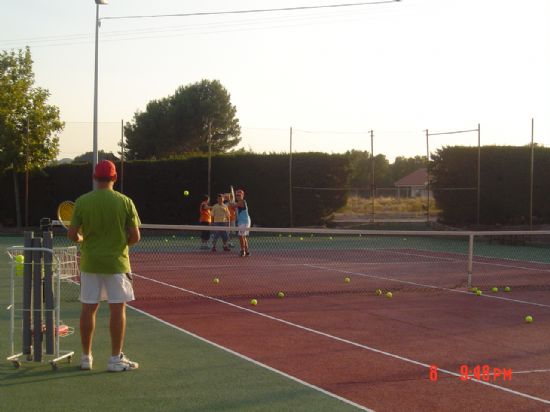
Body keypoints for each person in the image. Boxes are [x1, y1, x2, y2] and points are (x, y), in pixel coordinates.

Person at [68, 160, 141, 372]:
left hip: (90, 262)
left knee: (88, 309)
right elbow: (135, 237)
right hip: (117, 263)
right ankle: (115, 359)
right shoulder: (125, 202)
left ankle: (85, 358)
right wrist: (118, 245)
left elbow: (72, 235)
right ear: (115, 178)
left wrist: (83, 239)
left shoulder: (82, 201)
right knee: (117, 309)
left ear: (94, 177)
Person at [234, 189, 251, 257]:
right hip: (243, 221)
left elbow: (233, 206)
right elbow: (234, 207)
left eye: (239, 195)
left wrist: (229, 201)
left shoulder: (242, 201)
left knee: (241, 236)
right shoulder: (239, 202)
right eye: (237, 195)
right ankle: (247, 251)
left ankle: (243, 251)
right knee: (243, 236)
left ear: (242, 195)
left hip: (244, 222)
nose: (238, 196)